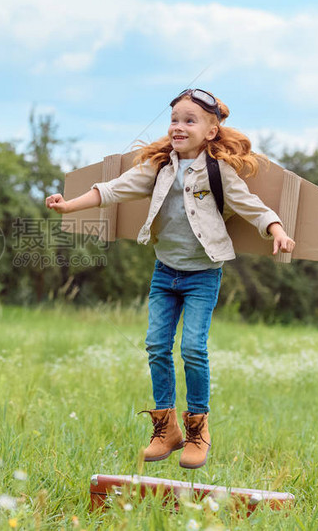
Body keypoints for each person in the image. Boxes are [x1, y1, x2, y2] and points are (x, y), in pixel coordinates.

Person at [45, 88, 295, 469]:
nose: (179, 126)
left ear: (211, 131)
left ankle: (198, 429)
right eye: (175, 119)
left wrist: (276, 230)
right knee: (156, 346)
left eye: (189, 120)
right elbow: (113, 190)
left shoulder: (218, 171)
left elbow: (252, 206)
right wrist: (69, 205)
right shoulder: (160, 168)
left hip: (202, 276)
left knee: (193, 348)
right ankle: (167, 428)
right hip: (165, 273)